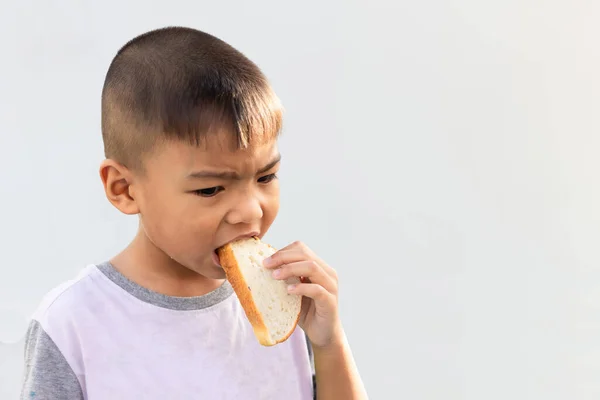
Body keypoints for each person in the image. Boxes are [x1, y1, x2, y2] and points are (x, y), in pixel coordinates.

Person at [20, 26, 367, 399]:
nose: (250, 211)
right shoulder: (74, 323)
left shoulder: (290, 309)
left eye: (266, 176)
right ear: (123, 189)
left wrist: (329, 343)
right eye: (210, 189)